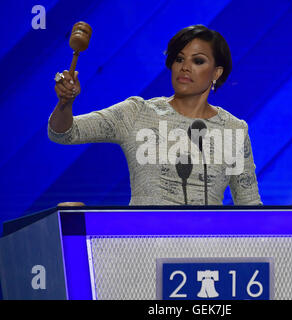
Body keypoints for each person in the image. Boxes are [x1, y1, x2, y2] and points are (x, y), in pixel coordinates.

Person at [48, 24, 262, 206]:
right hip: (142, 248)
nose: (185, 67)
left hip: (206, 250)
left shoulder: (234, 130)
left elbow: (250, 207)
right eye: (179, 59)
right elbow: (64, 133)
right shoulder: (137, 113)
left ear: (216, 73)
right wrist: (65, 104)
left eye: (197, 61)